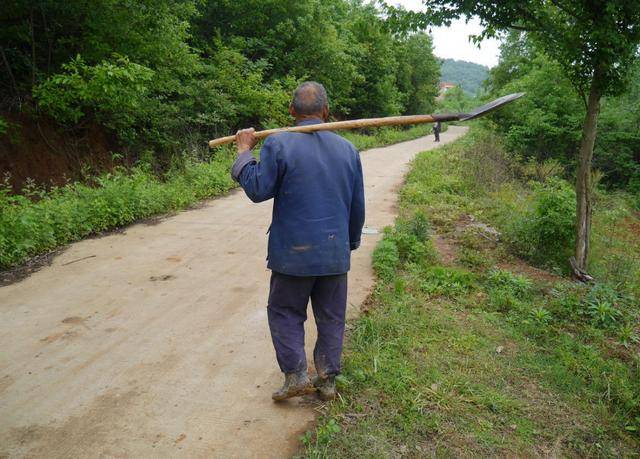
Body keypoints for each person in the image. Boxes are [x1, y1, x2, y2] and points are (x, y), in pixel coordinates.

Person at [231, 81, 365, 402]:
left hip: (293, 254)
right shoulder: (348, 150)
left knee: (285, 311)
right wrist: (349, 244)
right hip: (334, 252)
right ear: (326, 111)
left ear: (291, 112)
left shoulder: (279, 144)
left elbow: (258, 189)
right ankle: (327, 380)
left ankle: (296, 375)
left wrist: (243, 152)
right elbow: (357, 206)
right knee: (332, 316)